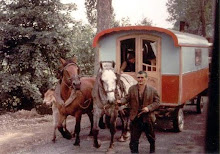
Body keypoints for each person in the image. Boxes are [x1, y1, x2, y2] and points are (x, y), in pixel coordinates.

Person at [117, 71, 160, 153]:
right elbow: (127, 98)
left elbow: (157, 102)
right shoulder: (132, 89)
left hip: (148, 118)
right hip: (136, 117)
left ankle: (152, 151)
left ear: (146, 79)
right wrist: (120, 101)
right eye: (138, 77)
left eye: (142, 77)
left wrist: (148, 108)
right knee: (134, 140)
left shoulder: (152, 90)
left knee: (151, 137)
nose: (140, 79)